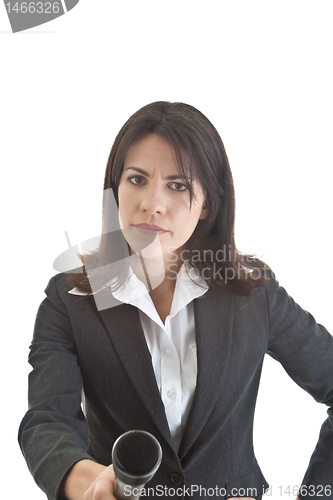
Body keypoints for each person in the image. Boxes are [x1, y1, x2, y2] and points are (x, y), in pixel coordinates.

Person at [18, 101, 333, 500]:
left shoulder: (256, 294)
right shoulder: (70, 299)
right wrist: (90, 483)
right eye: (136, 180)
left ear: (208, 206)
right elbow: (47, 422)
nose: (152, 202)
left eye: (178, 185)